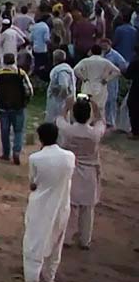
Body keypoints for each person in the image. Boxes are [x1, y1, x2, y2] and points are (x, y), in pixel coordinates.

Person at [22, 122, 74, 282]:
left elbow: (33, 184)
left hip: (41, 206)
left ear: (40, 138)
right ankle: (49, 279)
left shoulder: (35, 159)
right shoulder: (69, 157)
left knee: (34, 242)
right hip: (61, 205)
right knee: (56, 242)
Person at [56, 97, 104, 250]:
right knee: (88, 208)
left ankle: (67, 238)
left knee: (70, 206)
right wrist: (96, 107)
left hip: (72, 170)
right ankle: (85, 240)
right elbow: (101, 122)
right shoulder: (94, 134)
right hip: (90, 172)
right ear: (88, 115)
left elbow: (59, 119)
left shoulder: (69, 130)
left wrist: (66, 107)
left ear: (74, 114)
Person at [0, 53, 33, 165]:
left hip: (3, 107)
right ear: (14, 60)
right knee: (18, 131)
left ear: (4, 61)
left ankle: (6, 153)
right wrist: (26, 101)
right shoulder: (21, 73)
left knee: (5, 131)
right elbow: (29, 90)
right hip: (18, 106)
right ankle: (16, 151)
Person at [73, 45, 121, 121]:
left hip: (87, 85)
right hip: (100, 85)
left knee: (86, 105)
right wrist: (107, 79)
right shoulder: (105, 61)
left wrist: (83, 78)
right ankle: (100, 124)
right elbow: (117, 71)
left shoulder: (85, 61)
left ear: (91, 51)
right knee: (100, 106)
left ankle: (87, 122)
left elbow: (76, 69)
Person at [99, 38, 128, 129]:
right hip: (101, 80)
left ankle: (111, 121)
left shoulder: (115, 55)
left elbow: (123, 65)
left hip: (111, 80)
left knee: (111, 99)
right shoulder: (100, 54)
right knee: (102, 100)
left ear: (109, 45)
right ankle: (102, 120)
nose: (104, 47)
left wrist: (114, 73)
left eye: (105, 45)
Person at [45, 50, 76, 123]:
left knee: (58, 121)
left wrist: (60, 97)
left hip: (59, 102)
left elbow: (64, 86)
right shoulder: (67, 69)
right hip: (64, 100)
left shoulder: (61, 70)